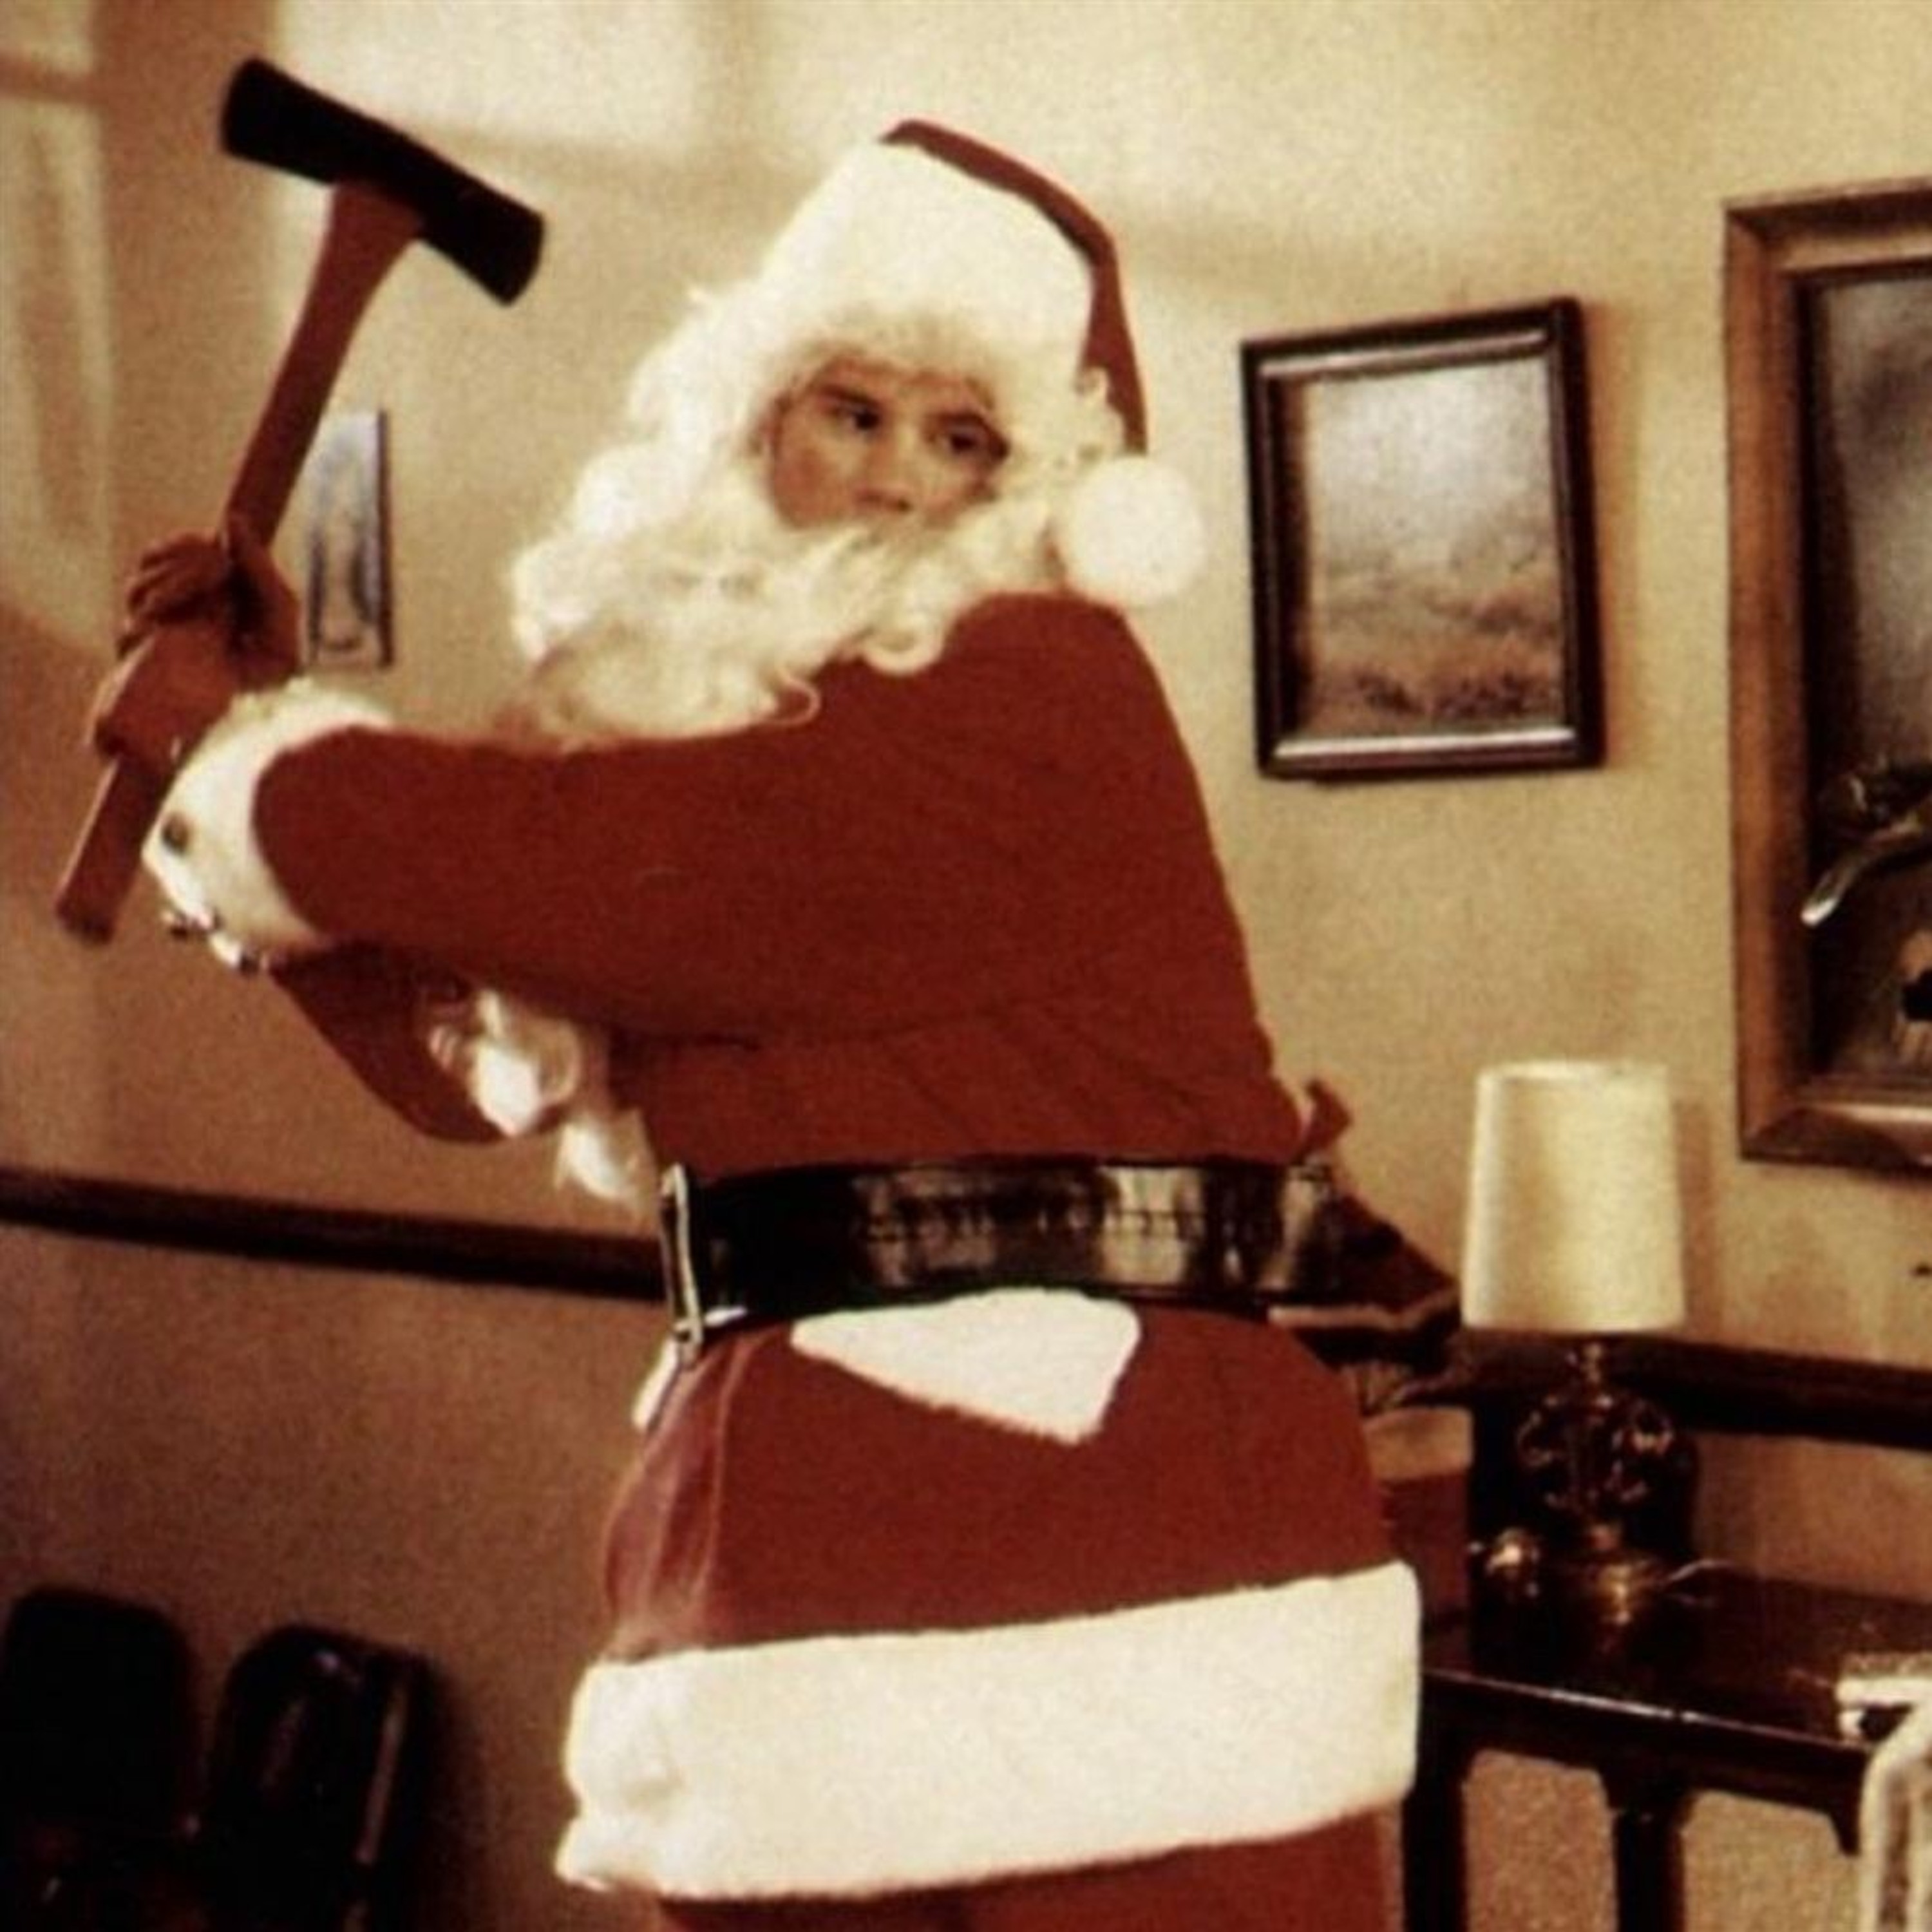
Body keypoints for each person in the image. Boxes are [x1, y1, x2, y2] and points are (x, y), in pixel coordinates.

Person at [93, 122, 1418, 1929]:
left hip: (1120, 1555)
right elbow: (473, 1060)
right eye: (851, 413)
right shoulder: (717, 743)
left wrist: (244, 763)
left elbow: (585, 870)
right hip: (807, 1558)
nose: (894, 482)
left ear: (1034, 487)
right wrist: (262, 718)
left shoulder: (1040, 689)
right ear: (754, 423)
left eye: (963, 440)